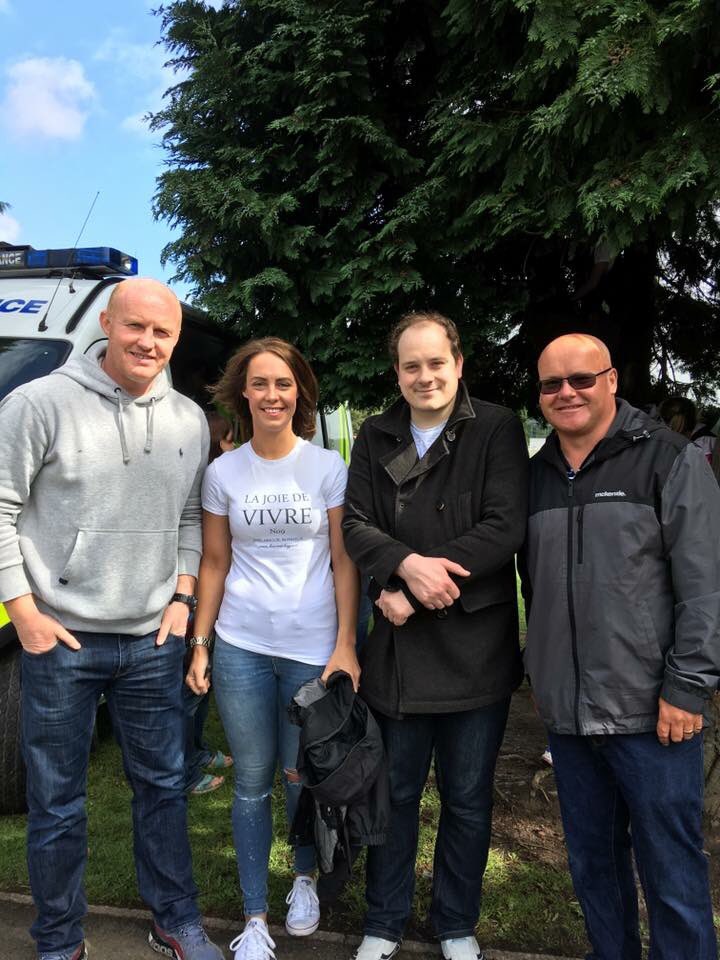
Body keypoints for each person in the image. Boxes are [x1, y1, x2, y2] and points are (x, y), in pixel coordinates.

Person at [0, 278, 223, 960]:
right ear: (107, 322)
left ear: (175, 340)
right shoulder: (38, 403)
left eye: (163, 332)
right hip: (60, 641)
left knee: (164, 791)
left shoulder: (189, 419)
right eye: (136, 326)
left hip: (153, 641)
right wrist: (24, 613)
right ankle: (60, 939)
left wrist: (182, 597)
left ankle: (174, 920)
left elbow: (191, 517)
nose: (148, 342)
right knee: (56, 803)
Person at [522, 333, 720, 959]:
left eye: (581, 379)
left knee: (672, 873)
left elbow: (706, 587)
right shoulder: (536, 475)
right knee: (594, 867)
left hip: (653, 713)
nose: (566, 393)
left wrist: (688, 687)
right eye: (551, 384)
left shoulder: (668, 460)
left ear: (611, 380)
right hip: (568, 715)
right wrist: (542, 674)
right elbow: (534, 585)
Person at [342, 311, 528, 960]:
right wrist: (403, 566)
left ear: (459, 364)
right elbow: (356, 525)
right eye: (411, 366)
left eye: (436, 363)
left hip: (474, 648)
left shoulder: (496, 428)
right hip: (397, 656)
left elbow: (504, 526)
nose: (425, 376)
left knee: (467, 799)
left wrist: (414, 588)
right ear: (397, 373)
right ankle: (384, 920)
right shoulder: (375, 433)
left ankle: (455, 923)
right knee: (393, 796)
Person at [186, 338, 359, 960]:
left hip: (312, 647)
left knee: (299, 774)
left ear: (299, 392)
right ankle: (255, 914)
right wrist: (201, 643)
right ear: (243, 393)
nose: (271, 395)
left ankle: (304, 878)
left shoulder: (326, 467)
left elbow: (344, 562)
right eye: (259, 383)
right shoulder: (223, 473)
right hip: (242, 648)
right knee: (252, 780)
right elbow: (213, 562)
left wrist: (346, 644)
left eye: (283, 384)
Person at [182, 411, 235, 796]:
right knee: (188, 688)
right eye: (230, 439)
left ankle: (198, 750)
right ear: (218, 443)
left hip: (212, 602)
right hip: (193, 602)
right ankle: (184, 768)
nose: (235, 446)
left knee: (202, 687)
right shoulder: (202, 486)